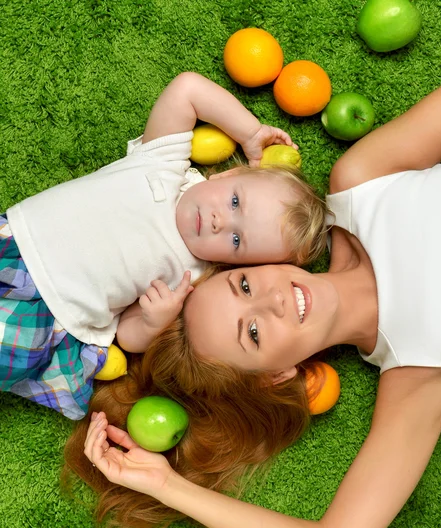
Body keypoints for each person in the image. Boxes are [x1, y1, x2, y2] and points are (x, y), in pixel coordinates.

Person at [79, 78, 441, 528]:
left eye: (245, 284)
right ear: (277, 376)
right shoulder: (416, 377)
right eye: (252, 334)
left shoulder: (362, 182)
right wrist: (168, 487)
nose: (274, 300)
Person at [0, 72, 326, 420]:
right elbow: (187, 89)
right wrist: (251, 133)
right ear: (228, 175)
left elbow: (126, 334)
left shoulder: (192, 277)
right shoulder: (166, 165)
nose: (220, 221)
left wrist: (154, 323)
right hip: (17, 239)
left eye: (236, 240)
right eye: (234, 202)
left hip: (50, 311)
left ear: (236, 265)